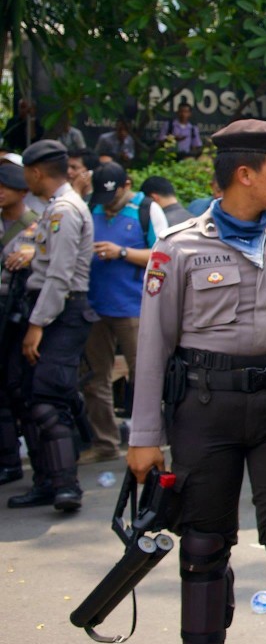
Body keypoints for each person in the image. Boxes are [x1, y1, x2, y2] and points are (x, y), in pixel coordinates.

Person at [127, 120, 266, 644]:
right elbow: (151, 349)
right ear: (245, 175)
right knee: (203, 545)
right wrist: (144, 437)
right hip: (204, 410)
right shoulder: (178, 249)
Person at [6, 140, 95, 512]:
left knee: (49, 399)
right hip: (49, 307)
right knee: (26, 395)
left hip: (61, 312)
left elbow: (59, 276)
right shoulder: (54, 208)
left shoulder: (64, 210)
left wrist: (37, 325)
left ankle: (66, 486)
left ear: (35, 172)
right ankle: (46, 481)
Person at [78, 162, 161, 465]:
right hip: (96, 306)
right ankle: (105, 442)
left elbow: (163, 255)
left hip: (134, 308)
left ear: (127, 185)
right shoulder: (91, 208)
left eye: (112, 197)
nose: (107, 204)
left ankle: (146, 439)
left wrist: (121, 252)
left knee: (144, 376)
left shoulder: (146, 209)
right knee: (94, 378)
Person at [0, 164, 40, 485]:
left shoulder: (36, 226)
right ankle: (8, 461)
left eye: (6, 186)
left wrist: (31, 255)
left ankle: (42, 470)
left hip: (19, 319)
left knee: (18, 389)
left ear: (23, 191)